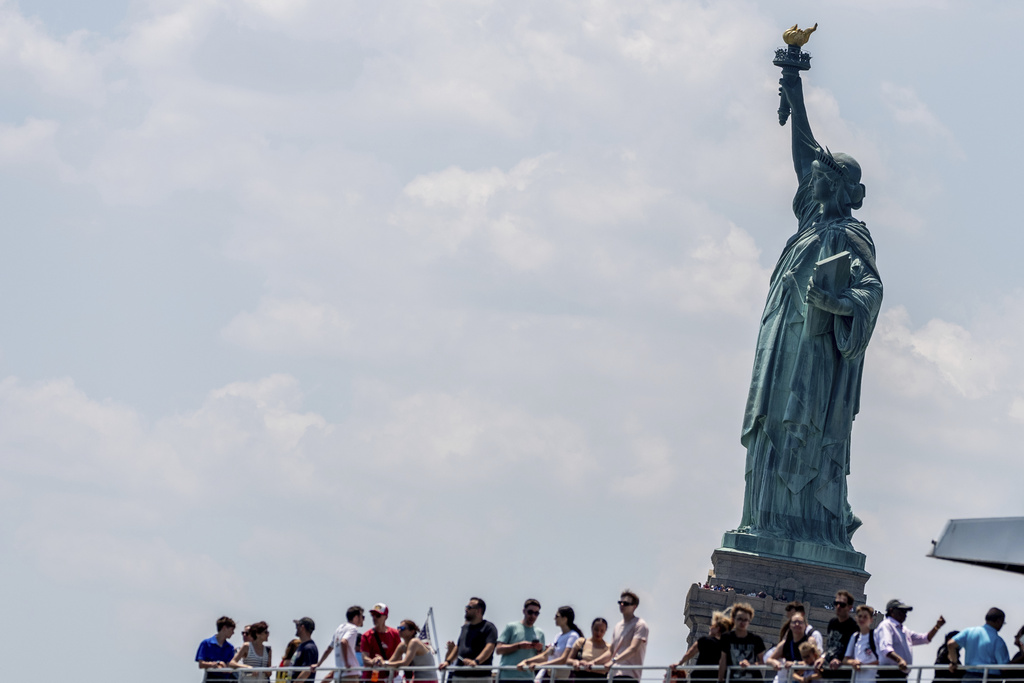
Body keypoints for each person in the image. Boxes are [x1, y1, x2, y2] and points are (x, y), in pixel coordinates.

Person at [735, 50, 882, 551]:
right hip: (781, 343)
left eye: (821, 177)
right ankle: (765, 521)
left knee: (805, 430)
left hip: (817, 350)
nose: (811, 179)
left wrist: (837, 303)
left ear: (837, 186)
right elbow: (803, 153)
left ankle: (811, 526)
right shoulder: (812, 222)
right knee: (772, 425)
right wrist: (794, 91)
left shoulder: (849, 234)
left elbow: (870, 291)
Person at [875, 599, 945, 680]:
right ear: (891, 611)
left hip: (900, 676)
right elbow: (886, 648)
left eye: (906, 612)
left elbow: (924, 638)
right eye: (902, 611)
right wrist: (899, 660)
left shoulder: (903, 630)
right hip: (888, 675)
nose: (905, 615)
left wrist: (937, 627)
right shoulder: (886, 625)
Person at [439, 597, 499, 680]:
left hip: (479, 677)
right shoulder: (465, 628)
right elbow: (458, 646)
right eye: (466, 607)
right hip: (459, 675)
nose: (466, 609)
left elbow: (490, 647)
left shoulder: (489, 627)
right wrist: (447, 662)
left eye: (469, 607)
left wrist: (476, 661)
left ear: (478, 611)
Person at [518, 606, 584, 680]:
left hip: (562, 678)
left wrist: (540, 665)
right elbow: (545, 656)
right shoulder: (558, 636)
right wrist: (526, 661)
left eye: (557, 616)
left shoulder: (573, 636)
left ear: (565, 619)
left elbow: (564, 659)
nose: (554, 618)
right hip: (551, 676)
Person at [598, 589, 649, 682]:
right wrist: (593, 662)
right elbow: (611, 651)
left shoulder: (640, 624)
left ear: (634, 606)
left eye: (625, 603)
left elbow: (633, 648)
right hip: (613, 674)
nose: (622, 605)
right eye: (620, 602)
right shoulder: (617, 626)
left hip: (629, 675)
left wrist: (613, 661)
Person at [947, 608, 1011, 679]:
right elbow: (1004, 666)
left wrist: (953, 662)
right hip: (989, 678)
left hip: (969, 677)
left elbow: (951, 644)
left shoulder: (969, 632)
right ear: (999, 621)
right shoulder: (998, 640)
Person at [496, 599, 546, 680]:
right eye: (530, 612)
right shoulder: (511, 627)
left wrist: (539, 650)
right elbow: (498, 650)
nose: (533, 616)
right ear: (524, 611)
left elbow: (542, 659)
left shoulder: (540, 633)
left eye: (536, 613)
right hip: (507, 677)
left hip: (528, 678)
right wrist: (518, 646)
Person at [673, 611, 732, 679]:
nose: (710, 628)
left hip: (699, 677)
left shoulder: (705, 640)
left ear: (718, 628)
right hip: (715, 678)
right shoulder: (727, 646)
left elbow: (690, 653)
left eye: (712, 626)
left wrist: (679, 663)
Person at [719, 603, 767, 682]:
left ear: (749, 621)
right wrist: (720, 680)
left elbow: (762, 662)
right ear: (733, 619)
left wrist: (750, 665)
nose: (742, 622)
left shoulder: (756, 640)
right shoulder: (726, 638)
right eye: (739, 619)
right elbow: (723, 660)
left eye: (745, 620)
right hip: (732, 679)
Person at [317, 606, 365, 682]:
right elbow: (343, 642)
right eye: (362, 617)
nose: (363, 619)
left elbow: (329, 649)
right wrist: (346, 663)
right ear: (356, 617)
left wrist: (318, 664)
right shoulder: (353, 628)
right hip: (350, 674)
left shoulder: (339, 628)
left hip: (338, 674)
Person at [820, 591, 859, 679]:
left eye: (842, 605)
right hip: (827, 672)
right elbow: (830, 647)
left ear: (850, 607)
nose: (838, 607)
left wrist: (840, 660)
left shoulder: (854, 627)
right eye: (836, 603)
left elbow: (853, 653)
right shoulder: (832, 623)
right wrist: (822, 657)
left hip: (842, 675)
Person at [767, 613, 813, 683]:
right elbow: (769, 659)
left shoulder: (810, 641)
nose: (797, 624)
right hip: (791, 679)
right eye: (794, 622)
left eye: (800, 622)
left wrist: (795, 664)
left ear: (805, 626)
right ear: (790, 626)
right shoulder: (785, 644)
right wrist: (774, 662)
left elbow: (813, 661)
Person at [362, 603, 402, 677]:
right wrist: (373, 662)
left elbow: (399, 657)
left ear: (385, 617)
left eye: (378, 615)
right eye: (372, 615)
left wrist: (384, 663)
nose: (374, 618)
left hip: (390, 677)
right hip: (371, 678)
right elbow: (365, 658)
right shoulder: (366, 635)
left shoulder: (395, 634)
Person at [843, 606, 879, 683]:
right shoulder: (855, 637)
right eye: (860, 616)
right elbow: (845, 659)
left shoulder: (876, 636)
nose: (862, 619)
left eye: (865, 617)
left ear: (871, 620)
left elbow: (882, 659)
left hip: (872, 680)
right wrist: (853, 662)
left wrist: (864, 665)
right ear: (856, 618)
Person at [291, 617, 319, 683]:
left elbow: (306, 671)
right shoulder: (302, 646)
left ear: (302, 627)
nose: (296, 628)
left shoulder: (309, 648)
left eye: (297, 626)